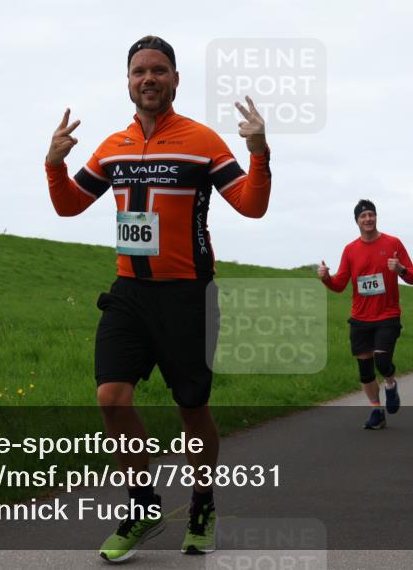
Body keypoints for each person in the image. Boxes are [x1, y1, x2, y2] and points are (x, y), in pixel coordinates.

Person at [44, 35, 272, 562]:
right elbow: (69, 206)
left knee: (192, 409)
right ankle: (144, 506)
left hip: (188, 295)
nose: (148, 78)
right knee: (111, 397)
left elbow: (251, 206)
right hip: (130, 293)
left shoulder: (202, 140)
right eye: (139, 71)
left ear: (175, 79)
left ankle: (203, 505)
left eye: (159, 70)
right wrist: (54, 164)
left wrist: (258, 152)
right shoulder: (113, 147)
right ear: (128, 81)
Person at [318, 200, 413, 430]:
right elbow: (340, 284)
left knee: (382, 362)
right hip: (360, 318)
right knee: (365, 371)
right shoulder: (350, 250)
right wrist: (325, 278)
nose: (368, 219)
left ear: (376, 217)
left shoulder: (393, 243)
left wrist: (400, 269)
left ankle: (391, 385)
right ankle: (376, 410)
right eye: (363, 216)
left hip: (387, 314)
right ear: (357, 221)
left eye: (371, 215)